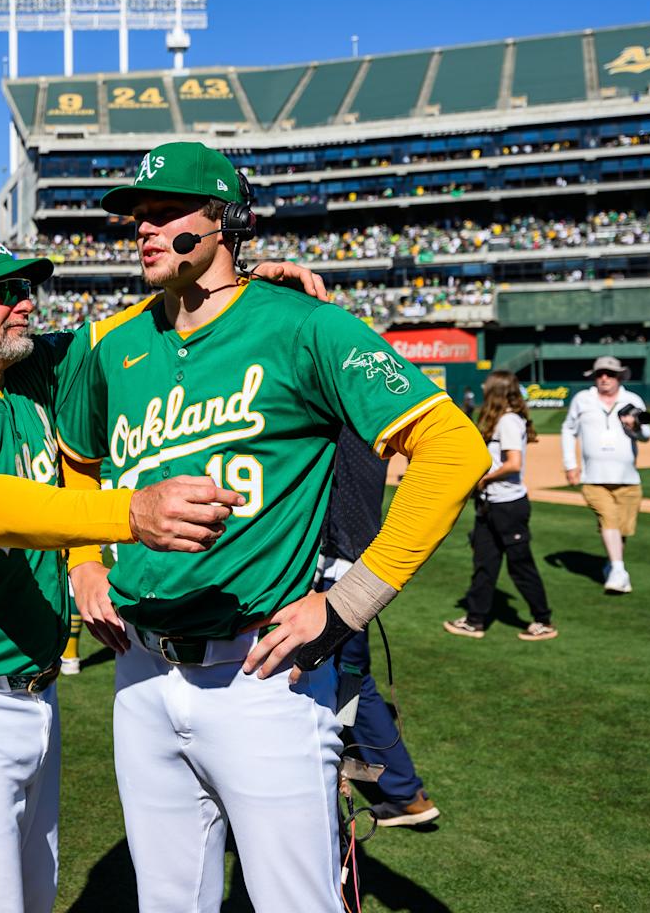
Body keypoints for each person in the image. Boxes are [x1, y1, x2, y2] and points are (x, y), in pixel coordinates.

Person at [57, 142, 488, 913]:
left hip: (262, 674)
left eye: (165, 214)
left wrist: (351, 599)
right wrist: (85, 561)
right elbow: (78, 462)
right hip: (141, 672)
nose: (144, 231)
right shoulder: (108, 342)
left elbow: (455, 449)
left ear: (224, 223)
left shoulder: (306, 328)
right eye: (137, 218)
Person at [0, 232, 245, 913]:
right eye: (2, 292)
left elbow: (128, 328)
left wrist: (226, 280)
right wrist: (125, 516)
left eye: (25, 290)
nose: (24, 304)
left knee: (34, 902)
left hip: (35, 694)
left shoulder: (32, 370)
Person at [322, 425, 442, 827]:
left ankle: (404, 791)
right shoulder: (371, 422)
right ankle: (383, 779)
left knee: (348, 679)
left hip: (335, 571)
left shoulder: (338, 422)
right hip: (362, 566)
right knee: (351, 678)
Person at [444, 370, 556, 642]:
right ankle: (475, 620)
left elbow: (513, 464)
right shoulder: (501, 419)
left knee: (520, 565)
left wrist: (484, 478)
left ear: (497, 390)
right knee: (485, 562)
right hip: (490, 505)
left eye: (488, 385)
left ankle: (543, 620)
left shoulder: (508, 421)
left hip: (508, 506)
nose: (483, 387)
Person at [560, 355, 650, 594]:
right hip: (593, 477)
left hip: (628, 477)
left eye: (610, 374)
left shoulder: (632, 400)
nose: (604, 378)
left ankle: (612, 565)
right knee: (608, 519)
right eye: (600, 374)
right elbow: (568, 430)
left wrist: (635, 426)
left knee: (621, 529)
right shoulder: (583, 399)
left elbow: (647, 435)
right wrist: (571, 464)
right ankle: (619, 570)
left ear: (619, 377)